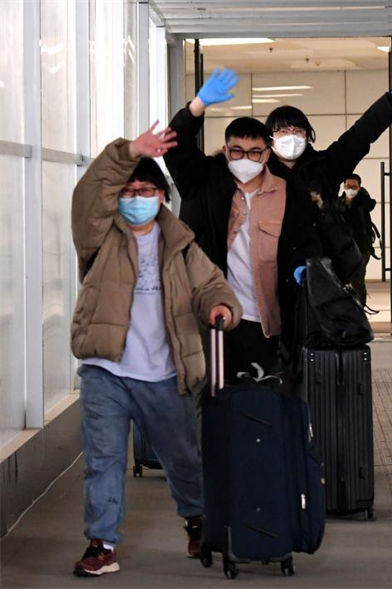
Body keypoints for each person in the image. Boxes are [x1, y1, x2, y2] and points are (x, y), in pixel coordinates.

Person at [70, 124, 242, 577]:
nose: (136, 197)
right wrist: (128, 151)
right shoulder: (98, 238)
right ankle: (101, 543)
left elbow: (211, 286)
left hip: (164, 373)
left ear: (162, 197)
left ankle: (196, 519)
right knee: (103, 460)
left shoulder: (182, 246)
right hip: (105, 370)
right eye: (128, 191)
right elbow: (89, 195)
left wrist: (221, 307)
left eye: (146, 190)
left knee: (183, 459)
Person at [164, 68, 321, 380]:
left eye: (254, 152)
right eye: (237, 151)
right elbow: (175, 146)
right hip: (213, 316)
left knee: (266, 395)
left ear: (267, 154)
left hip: (268, 321)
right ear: (226, 151)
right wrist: (197, 107)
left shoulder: (288, 191)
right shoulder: (203, 182)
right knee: (215, 395)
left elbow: (304, 241)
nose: (245, 159)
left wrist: (302, 268)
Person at [263, 70, 392, 287]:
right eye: (283, 131)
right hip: (272, 268)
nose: (291, 137)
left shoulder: (324, 167)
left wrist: (391, 101)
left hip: (325, 266)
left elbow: (359, 136)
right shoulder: (260, 174)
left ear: (307, 136)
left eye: (298, 131)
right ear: (270, 138)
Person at [338, 173, 378, 304]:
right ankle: (351, 306)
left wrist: (362, 194)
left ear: (359, 187)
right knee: (346, 278)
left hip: (362, 247)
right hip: (345, 248)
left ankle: (360, 306)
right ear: (344, 186)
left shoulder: (363, 201)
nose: (350, 189)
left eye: (354, 186)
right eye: (348, 186)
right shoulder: (339, 203)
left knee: (357, 276)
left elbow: (370, 204)